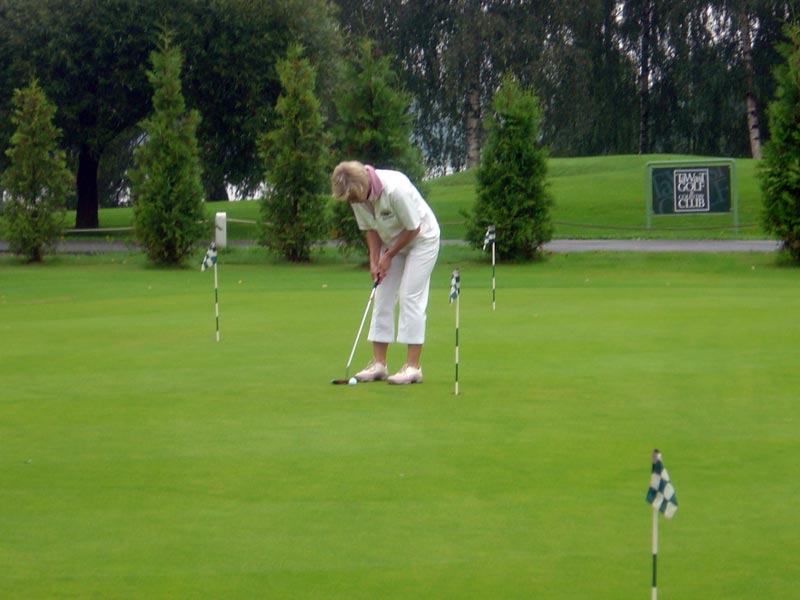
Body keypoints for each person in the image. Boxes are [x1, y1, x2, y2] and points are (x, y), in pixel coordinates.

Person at [331, 161, 440, 384]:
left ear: (363, 185)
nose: (354, 202)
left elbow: (414, 228)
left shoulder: (394, 189)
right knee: (382, 296)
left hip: (422, 239)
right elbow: (370, 229)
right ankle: (379, 364)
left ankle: (413, 367)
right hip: (392, 242)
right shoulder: (357, 195)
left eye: (354, 198)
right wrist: (374, 261)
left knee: (410, 296)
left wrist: (389, 255)